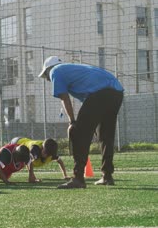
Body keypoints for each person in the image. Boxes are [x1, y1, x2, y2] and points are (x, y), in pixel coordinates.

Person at [38, 56, 124, 188]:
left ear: (48, 69)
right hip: (116, 92)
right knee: (105, 136)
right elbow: (92, 106)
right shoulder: (73, 71)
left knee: (78, 133)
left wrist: (72, 122)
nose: (48, 79)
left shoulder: (55, 71)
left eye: (46, 75)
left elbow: (65, 98)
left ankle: (78, 178)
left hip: (100, 94)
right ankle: (107, 176)